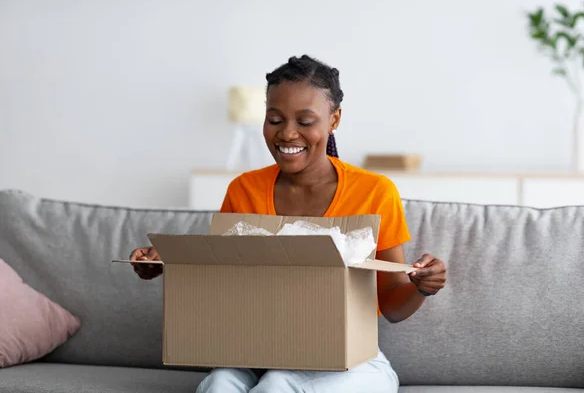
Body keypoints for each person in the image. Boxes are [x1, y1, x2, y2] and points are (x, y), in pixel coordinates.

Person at [129, 54, 447, 393]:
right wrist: (168, 263)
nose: (287, 133)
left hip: (350, 361)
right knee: (220, 384)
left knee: (277, 386)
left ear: (334, 120)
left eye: (305, 120)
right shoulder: (244, 190)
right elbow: (223, 285)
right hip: (254, 353)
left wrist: (420, 287)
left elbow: (393, 306)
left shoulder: (374, 192)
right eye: (275, 119)